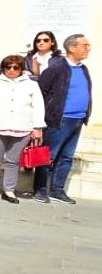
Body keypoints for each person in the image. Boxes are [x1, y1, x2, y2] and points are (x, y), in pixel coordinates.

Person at [0, 55, 44, 203]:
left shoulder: (31, 85)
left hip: (22, 128)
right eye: (8, 67)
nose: (11, 70)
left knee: (13, 161)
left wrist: (37, 127)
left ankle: (9, 190)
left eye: (16, 67)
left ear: (21, 68)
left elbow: (38, 106)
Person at [33, 34, 92, 204]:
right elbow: (41, 93)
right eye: (85, 45)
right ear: (72, 48)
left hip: (78, 119)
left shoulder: (83, 68)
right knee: (48, 156)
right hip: (59, 119)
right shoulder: (56, 68)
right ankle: (40, 189)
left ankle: (57, 190)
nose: (87, 48)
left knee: (66, 157)